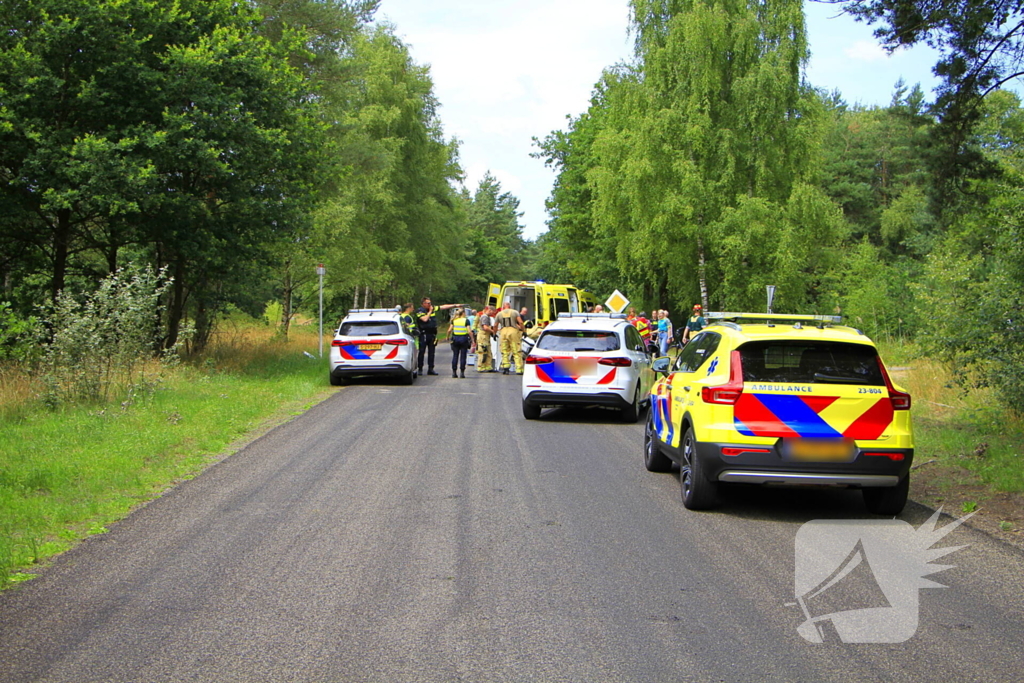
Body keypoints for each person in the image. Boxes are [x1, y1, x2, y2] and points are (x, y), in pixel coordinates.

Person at [416, 296, 464, 375]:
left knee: (432, 352)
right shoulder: (420, 311)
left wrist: (455, 305)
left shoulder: (433, 308)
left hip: (432, 334)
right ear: (423, 304)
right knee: (422, 352)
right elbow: (425, 319)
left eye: (430, 303)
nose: (430, 304)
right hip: (424, 334)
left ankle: (431, 369)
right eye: (428, 303)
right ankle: (420, 369)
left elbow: (443, 306)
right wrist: (430, 312)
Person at [495, 302, 525, 375]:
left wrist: (494, 333)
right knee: (516, 350)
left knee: (504, 350)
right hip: (513, 331)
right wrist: (524, 330)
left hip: (503, 331)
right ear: (510, 306)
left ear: (503, 307)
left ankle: (506, 368)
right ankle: (519, 369)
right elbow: (520, 322)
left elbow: (495, 325)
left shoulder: (499, 314)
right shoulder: (515, 312)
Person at [446, 307, 476, 378]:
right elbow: (469, 331)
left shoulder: (454, 320)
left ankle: (454, 372)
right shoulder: (466, 320)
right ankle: (462, 372)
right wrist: (472, 340)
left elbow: (449, 330)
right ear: (463, 313)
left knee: (455, 355)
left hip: (455, 339)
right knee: (463, 356)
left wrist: (447, 337)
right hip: (464, 339)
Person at [475, 306, 495, 372]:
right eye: (493, 312)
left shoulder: (487, 317)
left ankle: (488, 366)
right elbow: (485, 327)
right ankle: (481, 367)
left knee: (488, 352)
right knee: (483, 352)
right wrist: (493, 331)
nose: (493, 313)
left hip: (486, 336)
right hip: (483, 336)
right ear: (489, 310)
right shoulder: (485, 317)